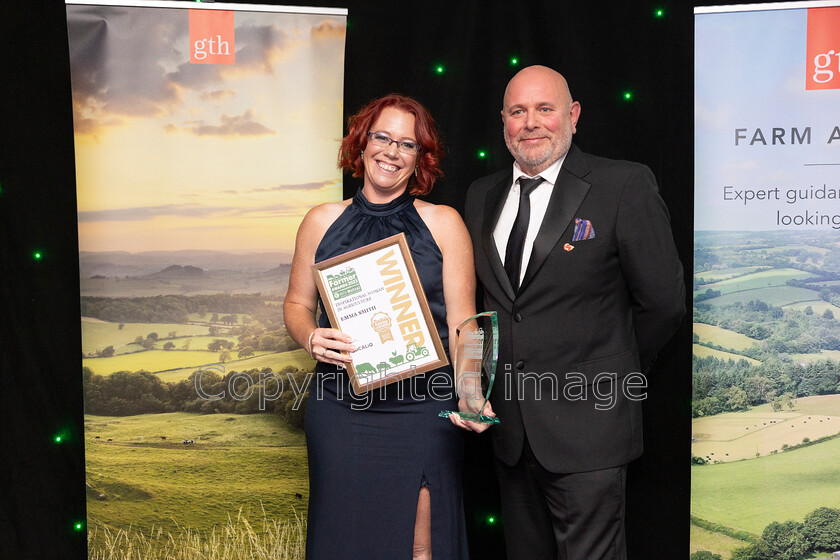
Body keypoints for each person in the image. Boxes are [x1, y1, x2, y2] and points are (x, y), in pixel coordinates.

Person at [462, 65, 685, 560]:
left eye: (545, 109)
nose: (531, 122)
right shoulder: (480, 195)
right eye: (518, 111)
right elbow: (485, 308)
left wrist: (610, 371)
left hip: (593, 430)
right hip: (511, 435)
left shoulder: (623, 184)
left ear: (573, 115)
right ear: (503, 121)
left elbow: (663, 304)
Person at [284, 94, 482, 560]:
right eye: (383, 137)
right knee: (345, 543)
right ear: (363, 142)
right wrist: (310, 336)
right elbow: (296, 304)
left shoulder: (444, 223)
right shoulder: (319, 221)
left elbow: (464, 325)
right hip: (341, 408)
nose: (392, 152)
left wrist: (472, 395)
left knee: (421, 547)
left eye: (407, 144)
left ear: (421, 158)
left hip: (423, 410)